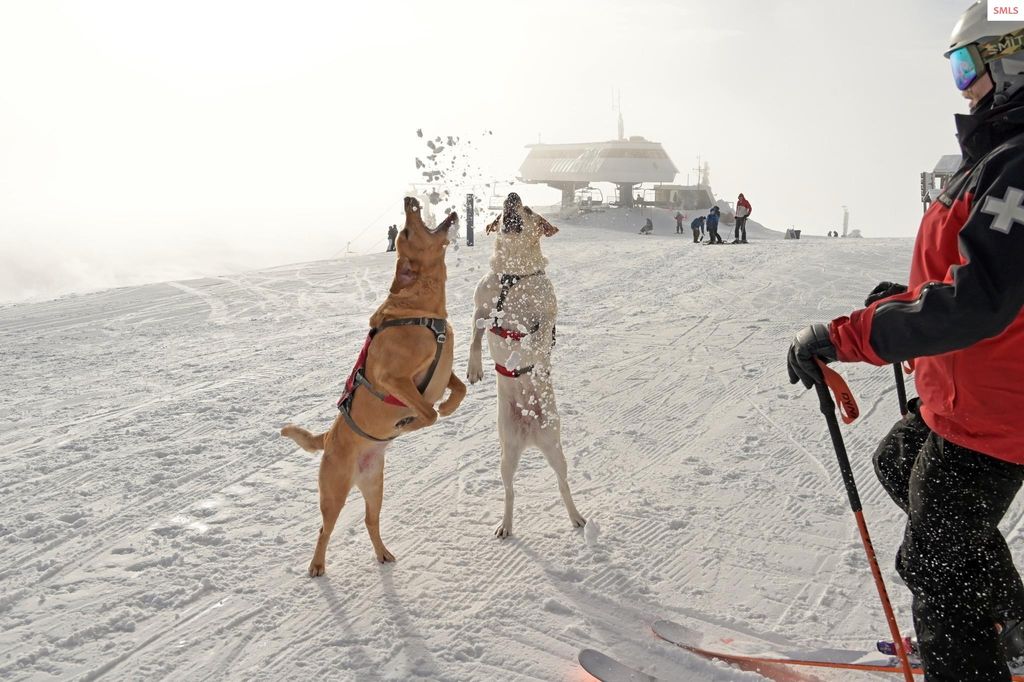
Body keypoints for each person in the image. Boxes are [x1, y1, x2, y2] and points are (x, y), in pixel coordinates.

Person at [786, 4, 1024, 679]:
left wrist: (850, 336)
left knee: (933, 566)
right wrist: (908, 290)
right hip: (971, 398)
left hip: (998, 415)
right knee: (900, 460)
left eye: (962, 66)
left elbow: (981, 300)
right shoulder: (997, 156)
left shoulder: (1018, 162)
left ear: (1008, 60)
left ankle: (974, 648)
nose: (958, 83)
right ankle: (1012, 619)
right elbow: (976, 271)